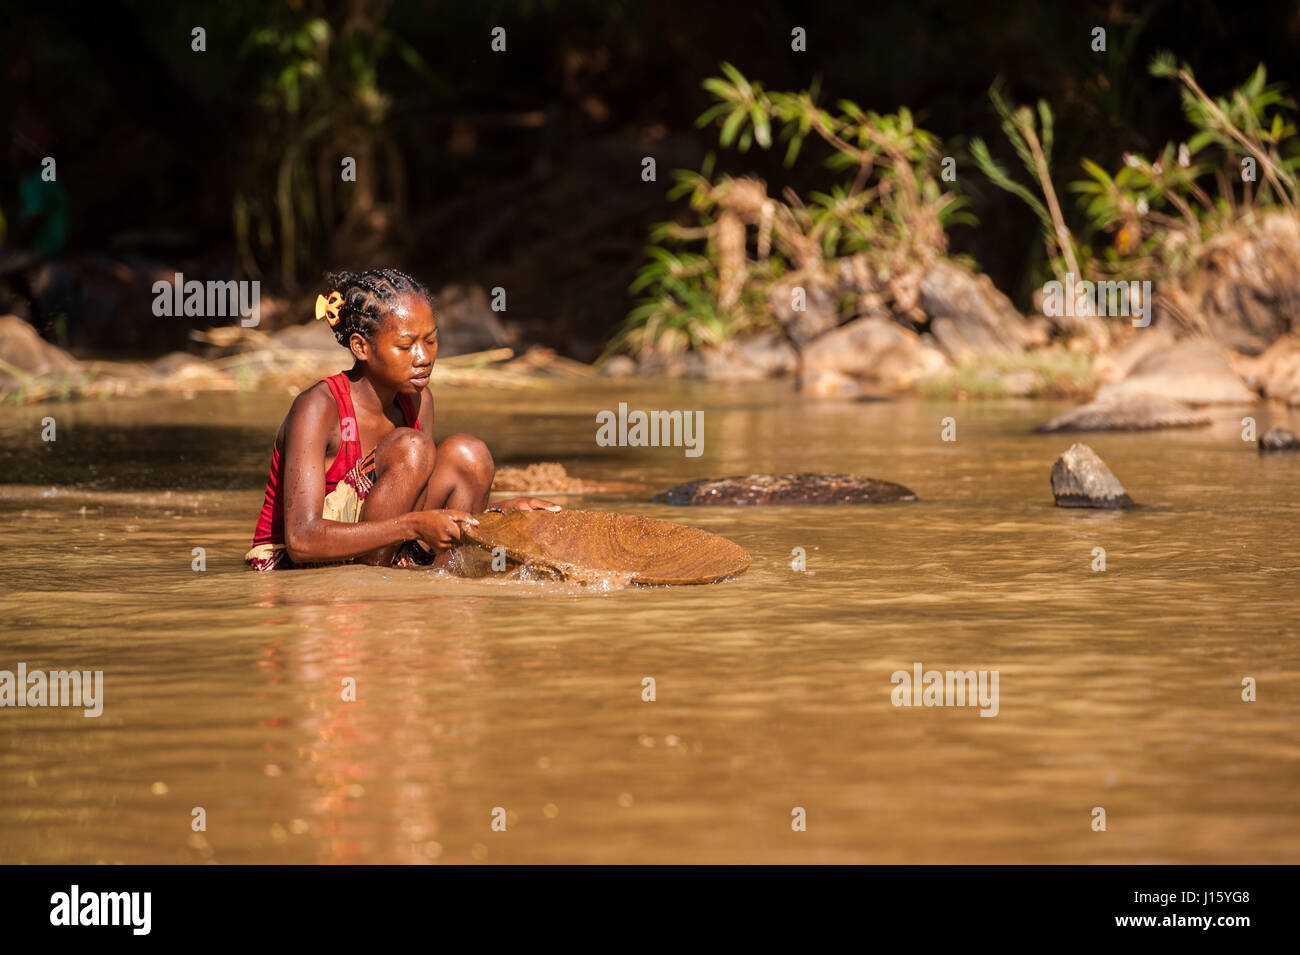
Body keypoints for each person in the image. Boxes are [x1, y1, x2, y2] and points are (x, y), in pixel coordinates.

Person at [245, 268, 558, 571]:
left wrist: (502, 513)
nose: (423, 358)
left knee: (469, 455)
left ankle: (442, 583)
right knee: (413, 447)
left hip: (385, 549)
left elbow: (420, 511)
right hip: (296, 565)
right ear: (361, 347)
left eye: (431, 341)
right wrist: (411, 527)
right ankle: (376, 586)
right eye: (406, 346)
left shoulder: (418, 400)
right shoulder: (317, 407)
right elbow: (301, 541)